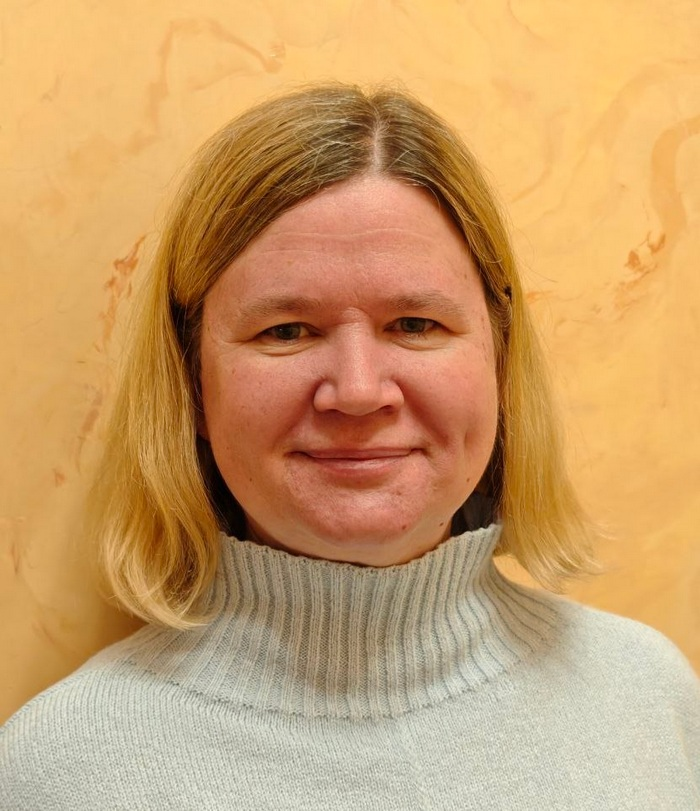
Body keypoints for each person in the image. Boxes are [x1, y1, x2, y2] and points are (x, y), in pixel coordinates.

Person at [1, 83, 698, 810]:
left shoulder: (648, 700)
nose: (359, 391)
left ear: (499, 357)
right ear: (192, 383)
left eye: (416, 324)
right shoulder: (64, 769)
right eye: (286, 331)